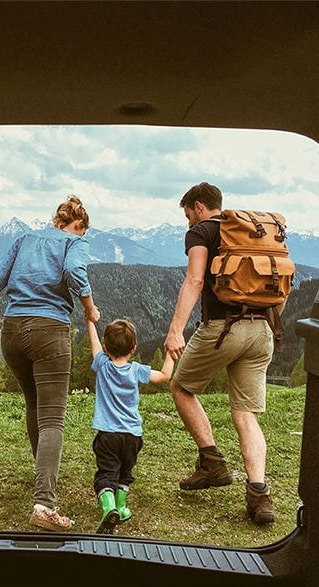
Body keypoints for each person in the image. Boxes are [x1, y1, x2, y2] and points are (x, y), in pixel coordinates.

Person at [0, 196, 100, 532]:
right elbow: (75, 272)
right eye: (82, 232)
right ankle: (44, 505)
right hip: (49, 332)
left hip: (12, 332)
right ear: (78, 226)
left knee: (34, 404)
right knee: (53, 419)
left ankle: (41, 474)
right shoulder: (76, 242)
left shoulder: (24, 240)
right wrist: (89, 309)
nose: (81, 237)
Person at [164, 182, 277, 525]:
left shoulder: (201, 232)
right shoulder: (250, 233)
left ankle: (212, 462)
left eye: (187, 215)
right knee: (246, 415)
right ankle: (260, 496)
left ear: (199, 207)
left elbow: (195, 281)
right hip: (262, 330)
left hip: (222, 328)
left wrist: (175, 330)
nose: (187, 223)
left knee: (181, 388)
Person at [86, 318, 174, 534]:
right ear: (134, 349)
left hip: (108, 435)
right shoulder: (136, 370)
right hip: (133, 435)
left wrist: (90, 321)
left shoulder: (102, 365)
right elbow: (164, 376)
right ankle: (122, 507)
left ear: (106, 347)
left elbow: (94, 345)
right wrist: (171, 352)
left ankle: (109, 508)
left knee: (106, 474)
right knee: (125, 472)